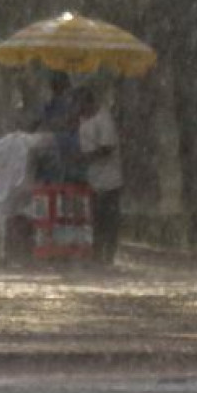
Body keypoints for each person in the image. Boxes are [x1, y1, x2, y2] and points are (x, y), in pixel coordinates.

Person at [76, 86, 124, 264]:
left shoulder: (104, 120)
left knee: (108, 221)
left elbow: (107, 147)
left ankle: (108, 256)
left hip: (109, 181)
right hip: (94, 180)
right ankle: (97, 255)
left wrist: (87, 157)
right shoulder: (83, 121)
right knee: (96, 221)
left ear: (89, 103)